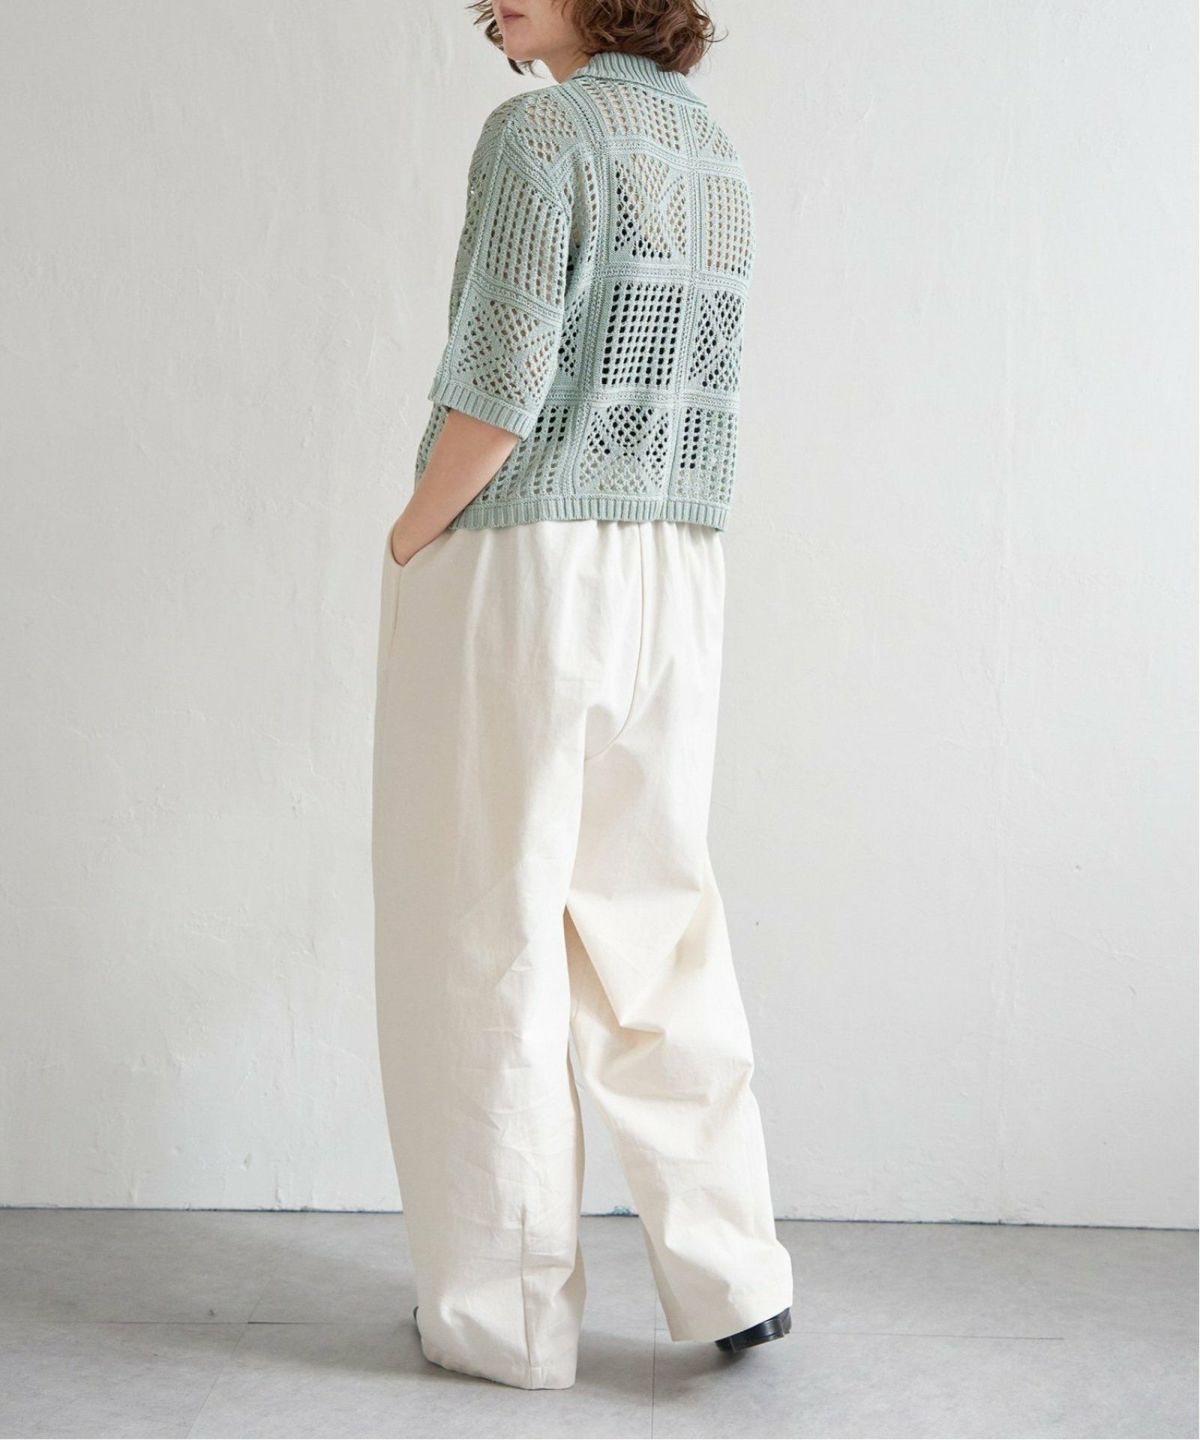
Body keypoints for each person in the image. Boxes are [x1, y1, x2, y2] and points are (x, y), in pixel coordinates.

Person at [372, 0, 793, 1390]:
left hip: (528, 560)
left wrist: (409, 533)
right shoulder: (710, 151)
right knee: (653, 915)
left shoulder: (539, 134)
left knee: (482, 927)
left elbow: (503, 384)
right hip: (676, 559)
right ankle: (734, 1269)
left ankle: (505, 1318)